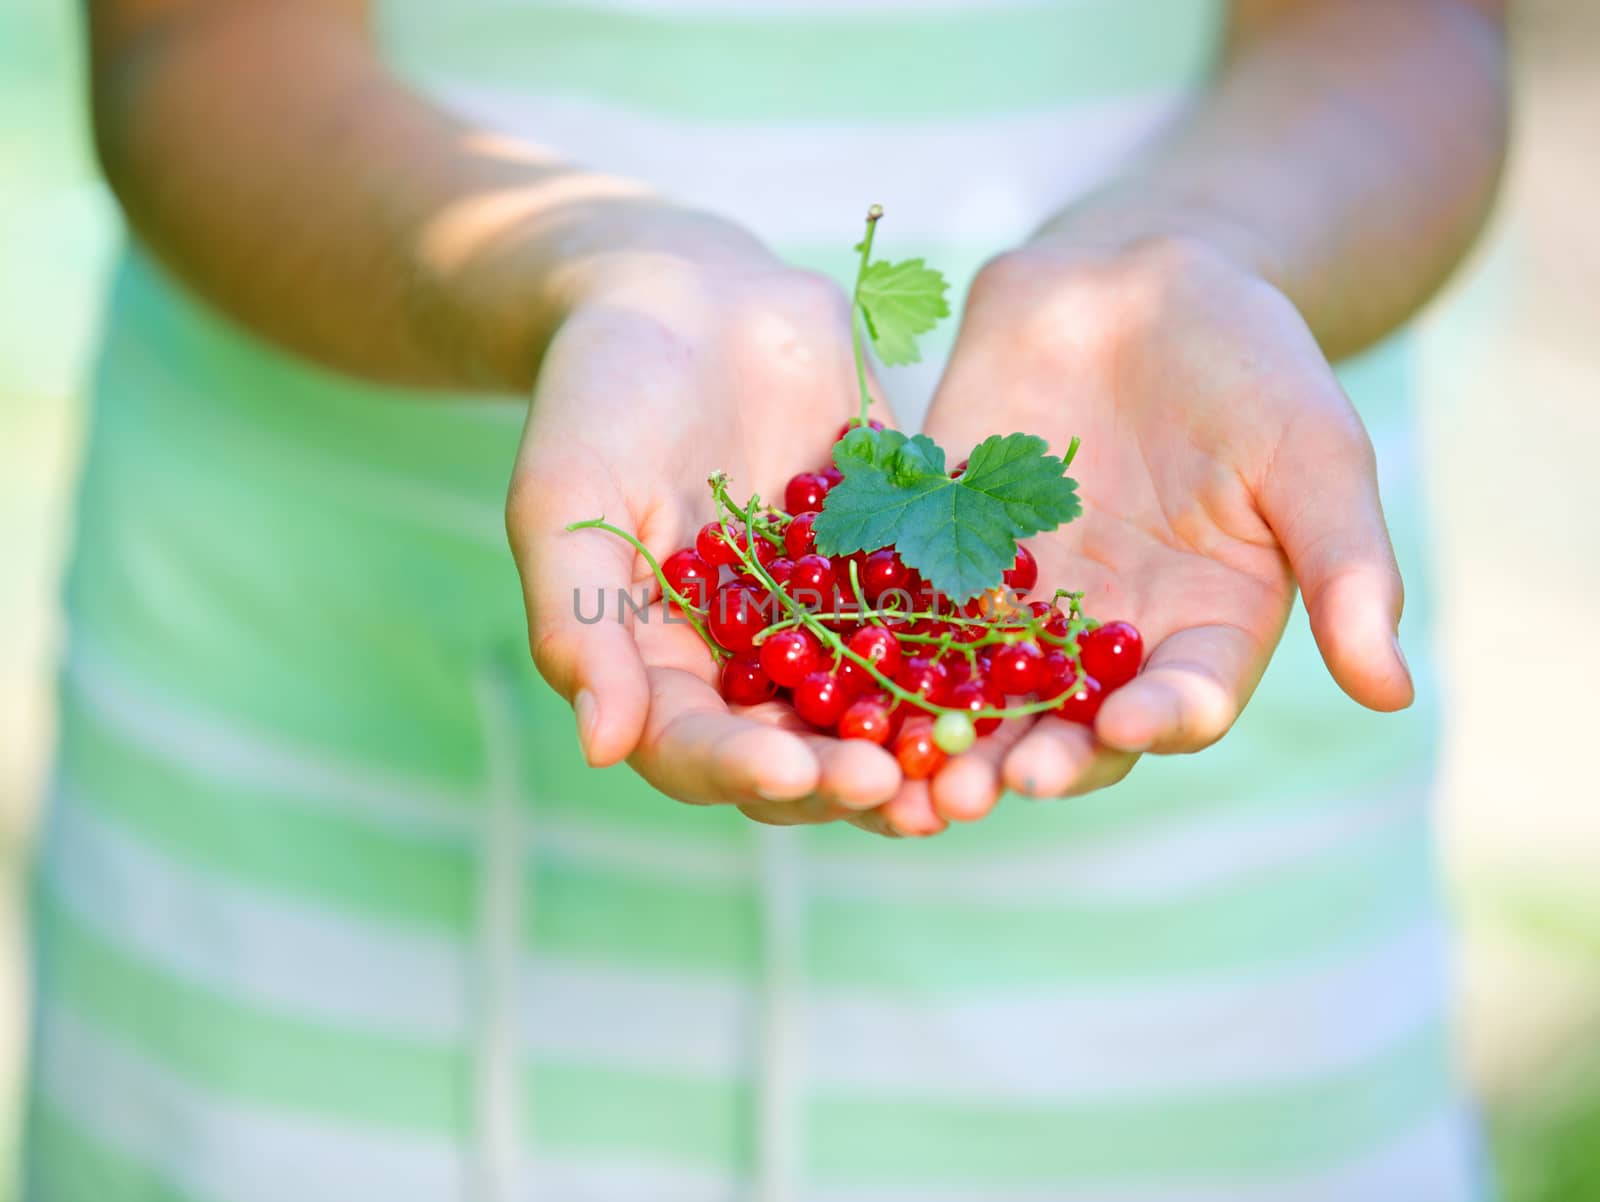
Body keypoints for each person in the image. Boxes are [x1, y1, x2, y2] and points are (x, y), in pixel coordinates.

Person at [30, 0, 1507, 1197]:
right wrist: (581, 271)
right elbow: (192, 39)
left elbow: (1403, 28)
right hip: (307, 811)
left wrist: (1191, 254)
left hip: (1199, 915)